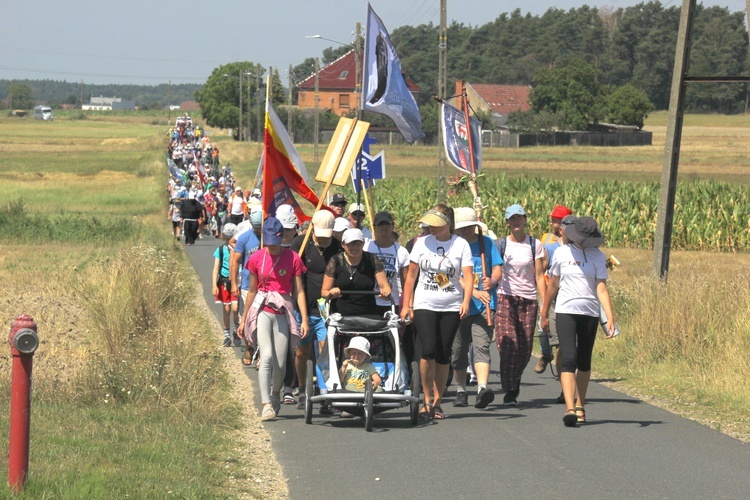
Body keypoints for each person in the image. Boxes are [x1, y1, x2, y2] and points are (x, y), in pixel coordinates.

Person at [541, 216, 616, 427]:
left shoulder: (598, 257)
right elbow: (553, 285)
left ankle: (580, 404)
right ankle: (569, 408)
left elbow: (601, 287)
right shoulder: (562, 253)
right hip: (566, 311)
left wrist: (610, 316)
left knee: (584, 361)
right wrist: (544, 312)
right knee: (569, 359)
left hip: (590, 312)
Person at [400, 205, 474, 420]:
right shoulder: (421, 242)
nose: (431, 227)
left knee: (443, 354)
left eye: (436, 223)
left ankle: (438, 402)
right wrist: (408, 304)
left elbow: (468, 277)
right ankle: (426, 399)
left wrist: (466, 301)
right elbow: (411, 276)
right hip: (425, 303)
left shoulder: (460, 245)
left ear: (447, 223)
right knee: (428, 350)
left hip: (451, 305)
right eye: (429, 224)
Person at [237, 217, 309, 422]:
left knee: (280, 362)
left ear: (282, 236)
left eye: (274, 240)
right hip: (263, 310)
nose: (272, 245)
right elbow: (251, 290)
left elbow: (299, 291)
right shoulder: (256, 258)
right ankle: (266, 403)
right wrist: (243, 320)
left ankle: (276, 392)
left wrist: (303, 319)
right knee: (266, 356)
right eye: (267, 241)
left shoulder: (293, 258)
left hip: (283, 311)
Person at [450, 207, 503, 409]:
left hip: (484, 306)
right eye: (461, 228)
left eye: (468, 227)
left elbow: (497, 266)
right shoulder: (452, 247)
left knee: (481, 346)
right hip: (458, 306)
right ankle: (461, 389)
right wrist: (472, 291)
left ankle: (482, 388)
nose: (465, 232)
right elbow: (450, 277)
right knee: (458, 351)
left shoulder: (486, 243)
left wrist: (493, 280)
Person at [494, 204, 546, 406]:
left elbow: (540, 276)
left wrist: (543, 305)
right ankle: (509, 390)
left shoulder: (535, 245)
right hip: (506, 297)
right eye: (512, 219)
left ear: (525, 220)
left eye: (519, 218)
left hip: (529, 299)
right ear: (507, 222)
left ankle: (514, 380)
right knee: (509, 345)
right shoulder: (500, 245)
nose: (516, 222)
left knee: (524, 349)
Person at [290, 210, 341, 408]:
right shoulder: (301, 244)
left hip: (327, 310)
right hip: (304, 308)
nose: (323, 239)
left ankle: (323, 391)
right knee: (302, 351)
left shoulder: (337, 246)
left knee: (325, 351)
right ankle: (303, 388)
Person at [536, 205, 573, 375]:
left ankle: (564, 374)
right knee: (543, 327)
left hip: (569, 296)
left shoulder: (577, 246)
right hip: (551, 293)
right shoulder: (549, 245)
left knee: (562, 340)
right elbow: (540, 272)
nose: (552, 223)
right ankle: (545, 354)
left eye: (555, 220)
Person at [321, 228, 391, 316]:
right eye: (350, 244)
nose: (354, 247)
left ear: (363, 243)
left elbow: (385, 287)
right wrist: (332, 293)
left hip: (368, 315)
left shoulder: (372, 259)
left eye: (358, 243)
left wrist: (385, 292)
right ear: (343, 244)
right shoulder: (335, 261)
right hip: (340, 316)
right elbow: (324, 292)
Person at [230, 213, 262, 366]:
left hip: (264, 286)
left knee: (262, 320)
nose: (258, 231)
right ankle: (248, 348)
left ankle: (262, 352)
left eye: (260, 228)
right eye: (255, 228)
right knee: (246, 319)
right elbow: (235, 261)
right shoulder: (244, 238)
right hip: (247, 285)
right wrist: (234, 284)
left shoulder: (268, 239)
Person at [364, 211, 409, 316]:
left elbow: (406, 283)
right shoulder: (365, 248)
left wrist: (407, 305)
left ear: (392, 226)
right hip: (369, 302)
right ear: (374, 227)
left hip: (392, 303)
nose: (384, 227)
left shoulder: (402, 251)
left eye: (387, 224)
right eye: (380, 224)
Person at [212, 223, 241, 347]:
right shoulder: (220, 250)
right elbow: (215, 269)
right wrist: (214, 285)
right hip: (223, 282)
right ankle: (227, 336)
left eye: (231, 237)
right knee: (227, 309)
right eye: (227, 237)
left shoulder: (239, 250)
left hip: (236, 281)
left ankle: (235, 329)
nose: (229, 240)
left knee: (235, 308)